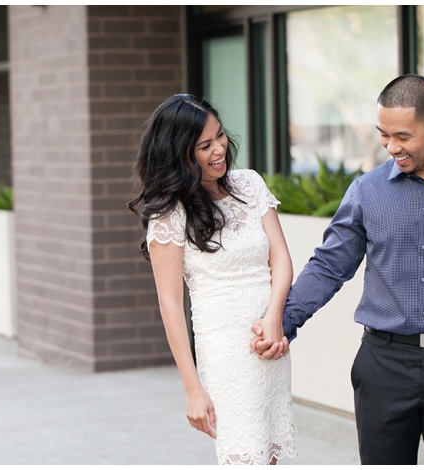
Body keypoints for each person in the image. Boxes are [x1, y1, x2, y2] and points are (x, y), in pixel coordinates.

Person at [251, 74, 424, 465]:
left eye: (402, 136)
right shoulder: (367, 191)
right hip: (383, 367)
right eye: (383, 134)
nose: (391, 146)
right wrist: (283, 320)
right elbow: (330, 265)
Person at [128, 94, 296, 465]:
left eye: (220, 136)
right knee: (243, 455)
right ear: (180, 153)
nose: (219, 148)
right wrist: (192, 388)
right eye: (204, 145)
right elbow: (170, 304)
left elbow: (281, 258)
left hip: (269, 339)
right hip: (224, 350)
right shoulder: (169, 216)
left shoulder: (250, 184)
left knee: (269, 454)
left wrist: (274, 319)